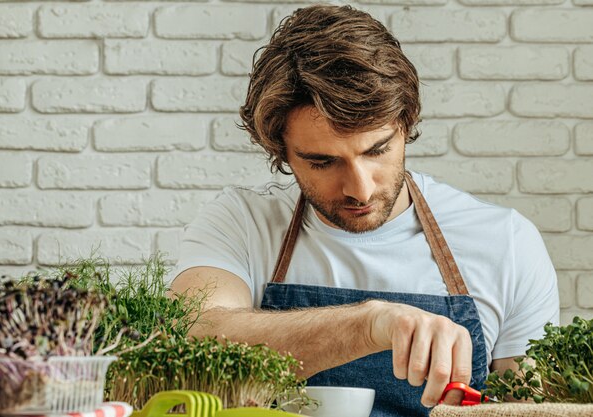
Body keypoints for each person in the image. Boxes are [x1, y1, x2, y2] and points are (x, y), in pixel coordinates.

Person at [170, 5, 559, 417]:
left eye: (377, 150)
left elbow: (531, 407)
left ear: (406, 125)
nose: (360, 188)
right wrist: (369, 325)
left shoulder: (506, 242)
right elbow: (194, 336)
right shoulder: (240, 224)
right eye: (322, 162)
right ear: (281, 152)